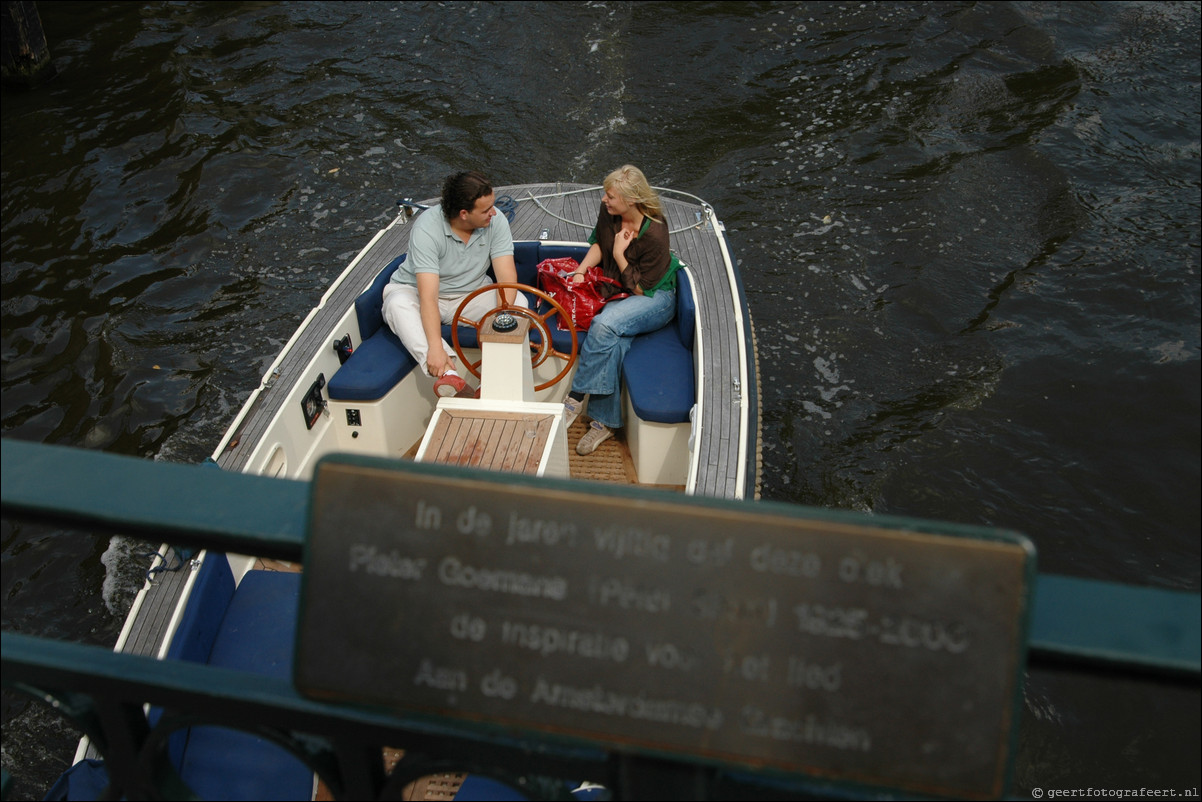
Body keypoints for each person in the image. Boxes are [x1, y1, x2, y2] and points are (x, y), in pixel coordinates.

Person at [563, 165, 679, 455]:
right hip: (623, 292)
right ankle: (605, 423)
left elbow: (642, 288)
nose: (604, 199)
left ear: (631, 200)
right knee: (613, 342)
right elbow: (598, 244)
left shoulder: (655, 232)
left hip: (656, 297)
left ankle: (575, 398)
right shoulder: (610, 213)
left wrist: (619, 253)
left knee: (604, 325)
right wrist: (579, 272)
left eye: (611, 196)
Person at [381, 171, 524, 397]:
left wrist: (501, 320)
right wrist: (435, 348)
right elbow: (428, 296)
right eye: (486, 210)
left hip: (470, 294)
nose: (494, 213)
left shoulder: (496, 222)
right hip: (421, 295)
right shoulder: (427, 228)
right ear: (464, 214)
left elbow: (506, 279)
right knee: (396, 304)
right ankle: (450, 377)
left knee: (519, 305)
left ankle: (489, 383)